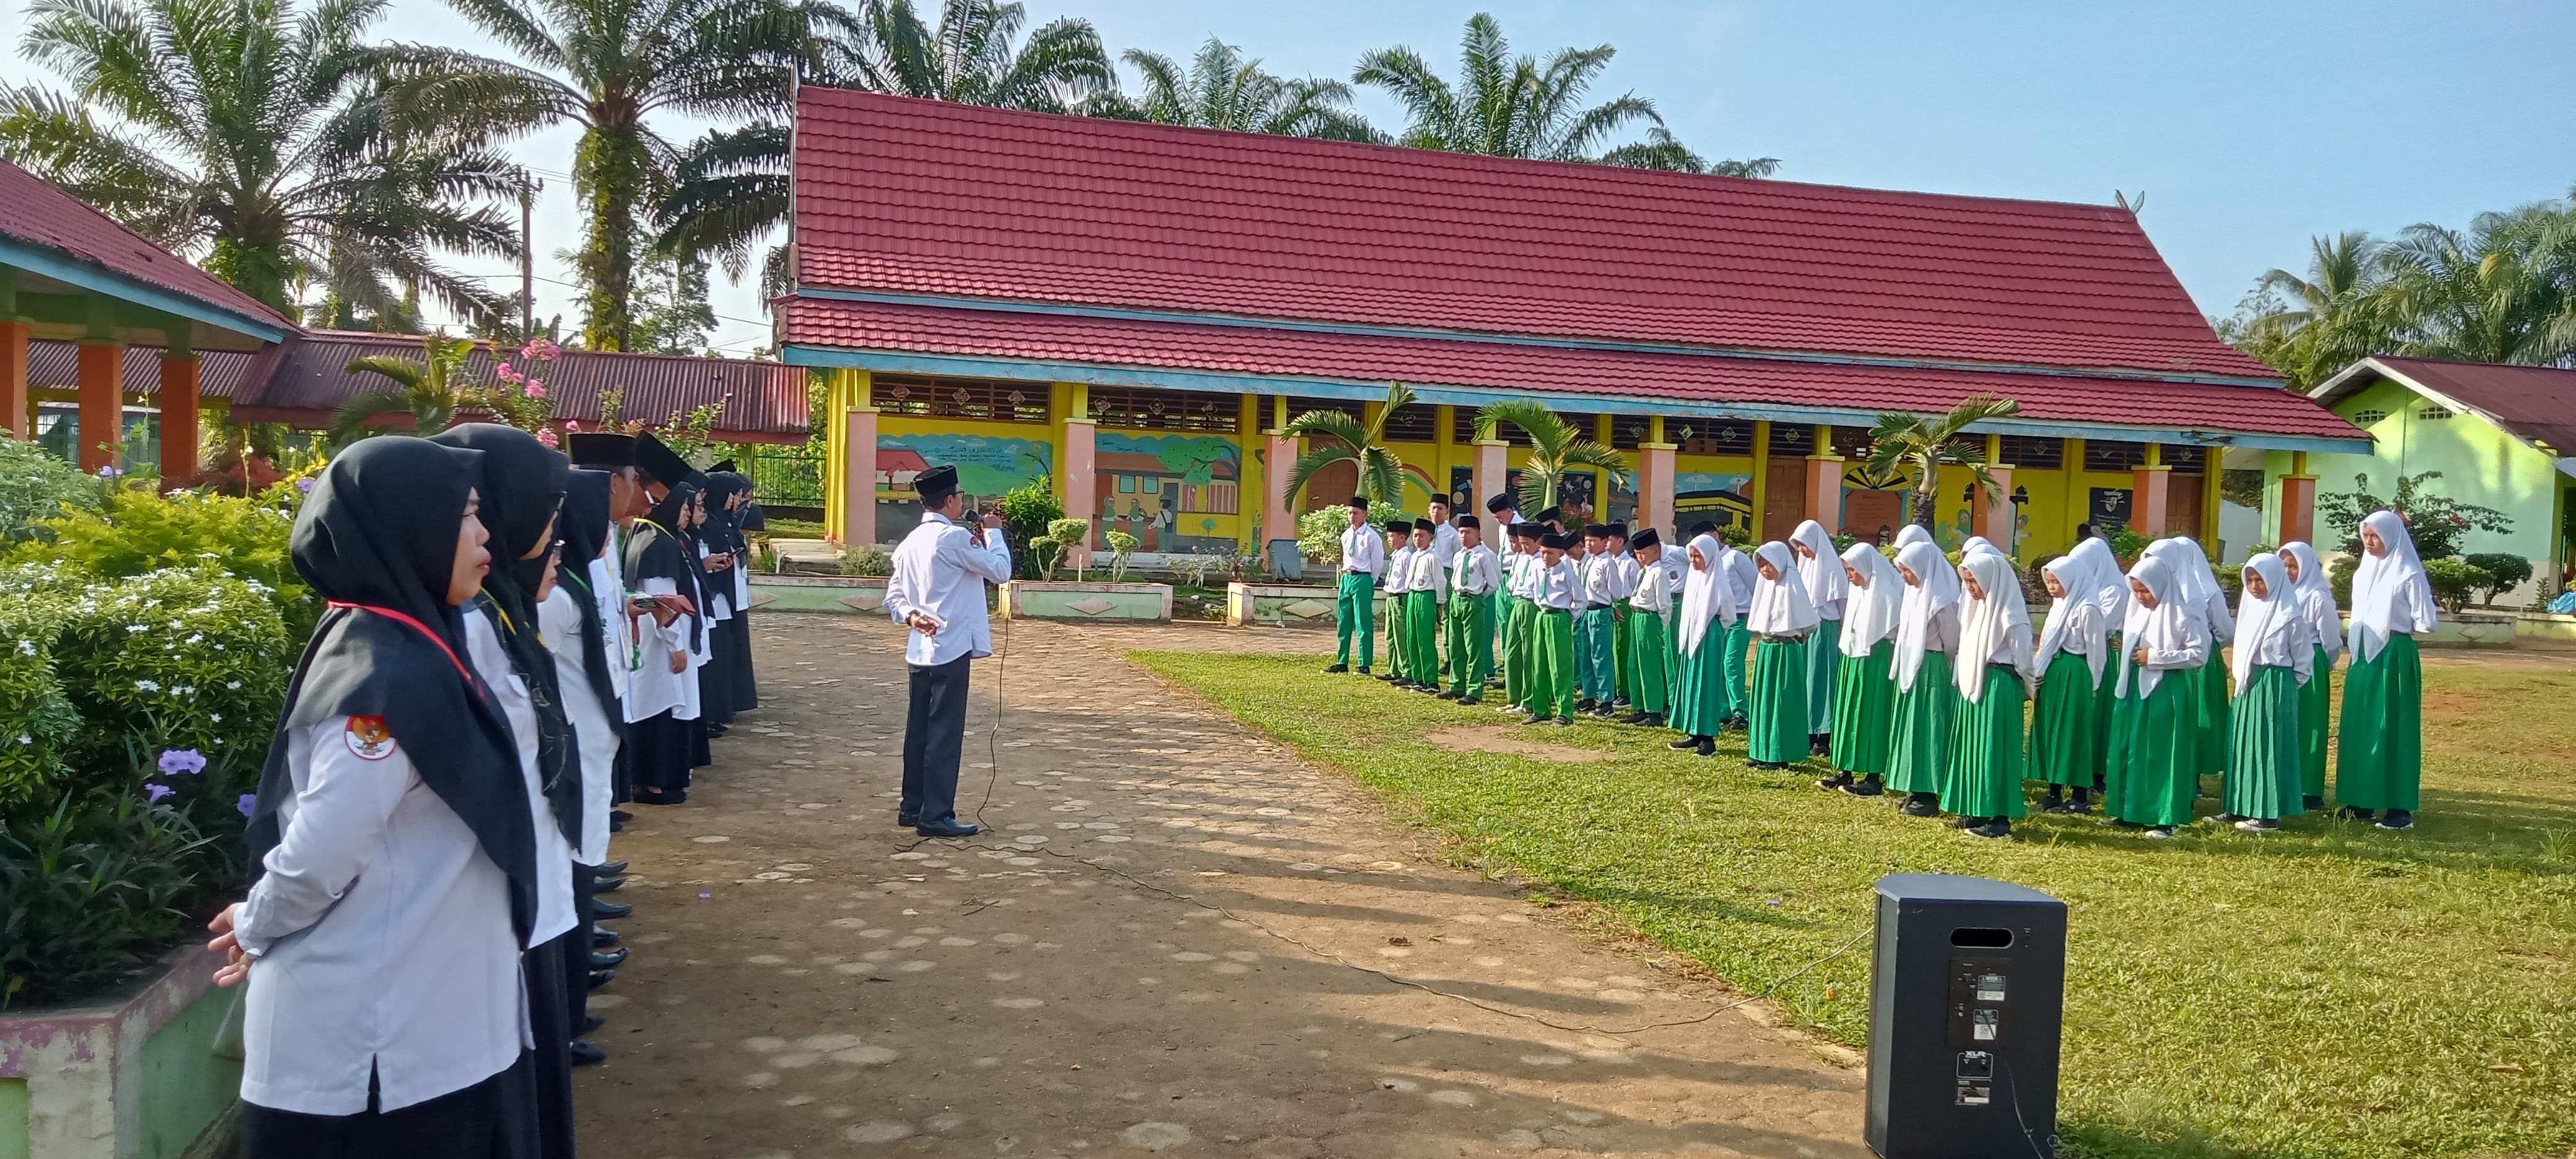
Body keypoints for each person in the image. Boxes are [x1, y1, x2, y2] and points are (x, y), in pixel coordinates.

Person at [216, 437, 541, 1159]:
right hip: (371, 1045)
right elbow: (321, 852)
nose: (486, 536)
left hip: (427, 1018)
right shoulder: (382, 672)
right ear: (408, 526)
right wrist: (256, 921)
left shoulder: (413, 645)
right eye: (466, 516)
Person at [425, 425, 580, 1159]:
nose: (556, 532)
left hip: (529, 885)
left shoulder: (498, 612)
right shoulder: (461, 627)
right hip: (493, 898)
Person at [536, 470, 626, 1067]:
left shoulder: (567, 582)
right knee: (570, 876)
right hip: (570, 753)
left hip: (590, 747)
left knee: (582, 871)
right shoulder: (555, 596)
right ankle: (562, 1015)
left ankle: (573, 992)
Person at [884, 464, 1012, 838]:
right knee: (945, 731)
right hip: (952, 645)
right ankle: (936, 813)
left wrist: (911, 616)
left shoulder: (910, 542)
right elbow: (1000, 571)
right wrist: (993, 534)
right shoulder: (953, 538)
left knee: (919, 730)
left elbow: (894, 596)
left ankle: (913, 805)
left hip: (921, 647)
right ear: (952, 500)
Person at [2336, 510, 2435, 829]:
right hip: (2363, 655)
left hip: (2393, 656)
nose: (2369, 541)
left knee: (2394, 726)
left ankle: (2399, 807)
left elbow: (2427, 621)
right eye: (2365, 535)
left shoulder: (2407, 573)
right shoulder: (2363, 573)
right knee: (2361, 726)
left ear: (2391, 535)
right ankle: (2360, 799)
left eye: (2375, 535)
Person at [2105, 555, 2209, 839]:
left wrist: (2156, 657)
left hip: (2165, 689)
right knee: (2132, 749)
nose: (2141, 596)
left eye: (2146, 590)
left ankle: (2164, 818)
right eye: (2136, 591)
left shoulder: (2182, 613)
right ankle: (2130, 811)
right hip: (2134, 691)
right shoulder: (2137, 612)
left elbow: (2199, 654)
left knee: (2161, 752)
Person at [2218, 552, 2315, 832]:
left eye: (2260, 580)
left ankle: (2268, 814)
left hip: (2275, 684)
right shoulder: (2251, 610)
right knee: (2243, 745)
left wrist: (2283, 686)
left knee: (2268, 746)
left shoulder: (2289, 615)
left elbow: (2303, 661)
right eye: (2250, 580)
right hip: (2248, 684)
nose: (2255, 586)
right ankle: (2238, 806)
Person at [1945, 552, 2039, 837]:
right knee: (1973, 747)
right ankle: (1976, 808)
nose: (1971, 587)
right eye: (1968, 581)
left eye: (1975, 581)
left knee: (1994, 749)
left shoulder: (2012, 615)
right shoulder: (1977, 611)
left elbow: (2024, 661)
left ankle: (1999, 819)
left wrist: (2029, 688)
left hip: (1999, 685)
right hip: (1975, 683)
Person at [624, 480, 704, 805]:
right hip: (661, 643)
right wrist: (677, 646)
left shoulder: (648, 538)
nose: (687, 515)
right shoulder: (659, 544)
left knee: (656, 705)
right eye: (685, 508)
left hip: (651, 638)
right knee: (664, 708)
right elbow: (659, 602)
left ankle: (652, 779)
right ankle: (657, 782)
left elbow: (641, 598)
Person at [2146, 537, 2235, 779]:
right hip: (2180, 659)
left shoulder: (2202, 592)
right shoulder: (2200, 590)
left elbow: (2226, 630)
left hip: (2194, 661)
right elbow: (2226, 631)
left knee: (2196, 715)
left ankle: (2189, 774)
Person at [1884, 540, 1962, 818]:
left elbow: (1952, 640)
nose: (1904, 576)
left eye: (1908, 570)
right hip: (1911, 667)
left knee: (1929, 725)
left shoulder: (1942, 599)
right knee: (1910, 726)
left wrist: (1939, 660)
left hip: (1931, 667)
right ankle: (1912, 787)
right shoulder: (1914, 594)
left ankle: (1928, 793)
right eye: (1902, 570)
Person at [2028, 555, 2108, 813]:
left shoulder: (2087, 608)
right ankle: (2054, 790)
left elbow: (2097, 651)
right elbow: (2047, 643)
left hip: (2075, 673)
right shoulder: (2059, 605)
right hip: (2054, 671)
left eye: (2057, 581)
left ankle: (2080, 796)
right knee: (2052, 729)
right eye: (2049, 582)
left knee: (2074, 732)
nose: (2052, 587)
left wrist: (2094, 684)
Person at [1824, 543, 1902, 795]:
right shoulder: (1858, 591)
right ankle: (1845, 769)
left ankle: (1872, 776)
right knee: (1849, 714)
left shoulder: (1888, 594)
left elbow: (1894, 632)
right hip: (1853, 659)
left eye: (1853, 570)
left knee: (1872, 716)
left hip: (1876, 661)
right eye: (1847, 570)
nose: (1850, 575)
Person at [2279, 542, 2345, 810]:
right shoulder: (2280, 595)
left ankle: (2309, 790)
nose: (2288, 572)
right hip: (2285, 663)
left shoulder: (2318, 596)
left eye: (2294, 566)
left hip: (2312, 660)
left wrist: (2323, 664)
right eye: (2283, 566)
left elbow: (2331, 640)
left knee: (2311, 726)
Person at [1743, 542, 1818, 769]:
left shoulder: (1793, 588)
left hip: (1785, 651)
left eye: (1769, 564)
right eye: (1761, 565)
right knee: (1763, 700)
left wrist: (1799, 635)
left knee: (1781, 703)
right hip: (1766, 649)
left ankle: (1779, 754)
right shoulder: (1764, 588)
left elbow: (1811, 622)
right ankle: (1760, 750)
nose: (1765, 570)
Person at [2066, 534, 2129, 792]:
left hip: (2106, 655)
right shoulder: (2087, 590)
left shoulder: (2115, 588)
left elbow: (2100, 625)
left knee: (2101, 713)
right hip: (2089, 651)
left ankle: (2099, 772)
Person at [1665, 531, 1733, 757]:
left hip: (1709, 636)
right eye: (1692, 556)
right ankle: (1694, 732)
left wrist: (1712, 630)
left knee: (1706, 685)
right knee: (1692, 682)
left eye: (1698, 556)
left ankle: (1708, 739)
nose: (1694, 561)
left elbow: (1728, 614)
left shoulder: (1718, 580)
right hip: (1691, 635)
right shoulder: (1694, 579)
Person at [1790, 519, 1846, 755]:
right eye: (1798, 546)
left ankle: (1823, 735)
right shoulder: (1803, 568)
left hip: (1824, 630)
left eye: (1804, 545)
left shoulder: (1832, 569)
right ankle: (1807, 730)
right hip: (1805, 631)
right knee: (1806, 681)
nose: (1802, 550)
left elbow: (1843, 606)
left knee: (1822, 680)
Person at [1521, 531, 1580, 726]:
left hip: (1559, 617)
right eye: (1543, 552)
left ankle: (1565, 712)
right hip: (1541, 615)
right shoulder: (1537, 567)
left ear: (1561, 553)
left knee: (1560, 667)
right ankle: (1541, 709)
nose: (1546, 557)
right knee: (1538, 664)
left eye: (1550, 553)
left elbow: (1580, 599)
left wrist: (1568, 617)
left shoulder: (1566, 571)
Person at [1619, 529, 1674, 727]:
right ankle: (1639, 706)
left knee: (1650, 667)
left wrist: (1662, 629)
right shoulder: (1643, 572)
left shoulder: (1659, 573)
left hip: (1650, 620)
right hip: (1637, 617)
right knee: (1634, 664)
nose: (1640, 558)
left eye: (1644, 553)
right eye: (1638, 554)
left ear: (1657, 552)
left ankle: (1654, 711)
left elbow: (1665, 606)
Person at [1444, 515, 1499, 703]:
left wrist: (1478, 598)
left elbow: (1494, 583)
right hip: (1456, 600)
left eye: (1468, 532)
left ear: (1478, 533)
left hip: (1473, 600)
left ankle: (1475, 689)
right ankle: (1456, 685)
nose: (1464, 536)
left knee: (1474, 647)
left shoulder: (1485, 555)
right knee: (1455, 646)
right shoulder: (1459, 555)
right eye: (1461, 532)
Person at [1326, 497, 1381, 674]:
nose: (1352, 516)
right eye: (1349, 513)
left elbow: (1377, 563)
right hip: (1347, 577)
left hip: (1362, 578)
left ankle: (1364, 663)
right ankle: (1342, 661)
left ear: (1365, 514)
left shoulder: (1371, 537)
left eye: (1356, 513)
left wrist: (1369, 582)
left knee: (1362, 621)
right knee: (1344, 621)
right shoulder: (1346, 535)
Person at [1575, 524, 1625, 716]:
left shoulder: (1608, 563)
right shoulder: (1589, 562)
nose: (1589, 544)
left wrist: (1612, 606)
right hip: (1586, 611)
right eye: (1587, 541)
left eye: (1593, 541)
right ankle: (1588, 697)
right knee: (1586, 655)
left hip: (1601, 612)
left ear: (1605, 542)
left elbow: (1616, 591)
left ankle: (1606, 702)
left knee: (1601, 657)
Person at [1715, 538, 1757, 729]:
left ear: (1716, 536)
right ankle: (1724, 710)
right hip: (1720, 620)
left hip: (1740, 618)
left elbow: (1755, 585)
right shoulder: (1711, 561)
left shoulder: (1735, 557)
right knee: (1719, 664)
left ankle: (1741, 712)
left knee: (1731, 664)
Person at [1402, 518, 1447, 692]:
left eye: (1422, 536)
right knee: (1412, 638)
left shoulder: (1433, 557)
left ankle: (1431, 681)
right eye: (1415, 535)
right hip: (1413, 595)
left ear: (1431, 537)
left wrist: (1440, 603)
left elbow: (1440, 582)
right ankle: (1417, 677)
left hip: (1426, 597)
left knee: (1425, 639)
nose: (1417, 539)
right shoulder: (1415, 555)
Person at [1380, 515, 1417, 686]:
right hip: (1391, 598)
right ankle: (1393, 669)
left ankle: (1407, 671)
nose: (1389, 540)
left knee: (1402, 636)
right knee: (1390, 636)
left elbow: (1409, 580)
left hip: (1402, 598)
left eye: (1391, 536)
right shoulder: (1396, 556)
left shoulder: (1406, 557)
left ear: (1402, 537)